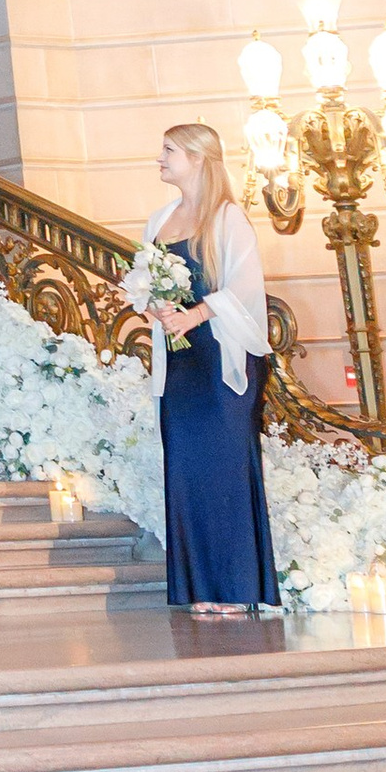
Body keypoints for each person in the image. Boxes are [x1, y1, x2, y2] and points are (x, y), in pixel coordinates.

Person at [142, 119, 280, 617]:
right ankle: (200, 586)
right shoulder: (158, 220)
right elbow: (148, 284)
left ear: (198, 158)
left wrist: (195, 313)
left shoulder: (227, 218)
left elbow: (245, 289)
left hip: (222, 361)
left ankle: (237, 588)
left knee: (224, 470)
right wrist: (154, 309)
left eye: (169, 150)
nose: (159, 158)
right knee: (185, 471)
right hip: (180, 364)